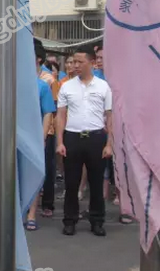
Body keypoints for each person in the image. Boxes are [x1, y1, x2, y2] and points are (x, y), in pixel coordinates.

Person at [56, 45, 113, 237]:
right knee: (71, 183)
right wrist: (60, 141)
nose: (76, 65)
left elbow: (110, 117)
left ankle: (97, 220)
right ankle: (70, 220)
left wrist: (109, 144)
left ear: (92, 62)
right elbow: (61, 116)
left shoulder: (103, 86)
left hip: (96, 138)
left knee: (96, 182)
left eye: (80, 62)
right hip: (73, 137)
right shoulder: (66, 86)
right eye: (74, 62)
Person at [24, 40, 57, 231]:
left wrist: (42, 137)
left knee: (34, 174)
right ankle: (20, 210)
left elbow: (48, 113)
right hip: (17, 136)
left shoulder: (43, 85)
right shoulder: (16, 83)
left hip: (35, 136)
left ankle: (32, 214)